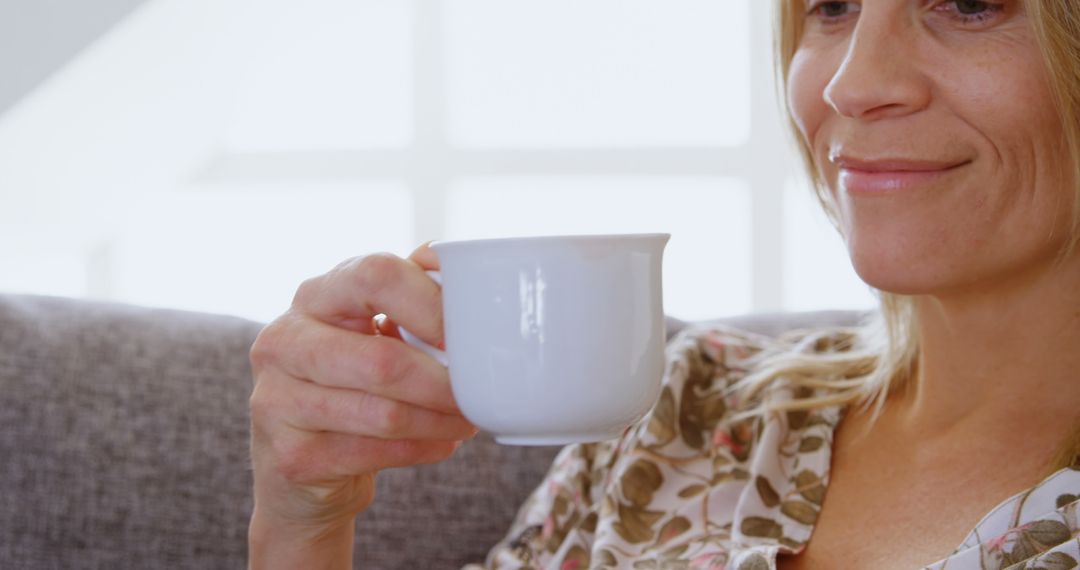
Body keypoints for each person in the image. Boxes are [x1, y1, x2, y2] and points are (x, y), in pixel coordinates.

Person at [247, 0, 1080, 567]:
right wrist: (302, 525)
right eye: (831, 4)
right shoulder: (686, 411)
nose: (851, 84)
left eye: (972, 2)